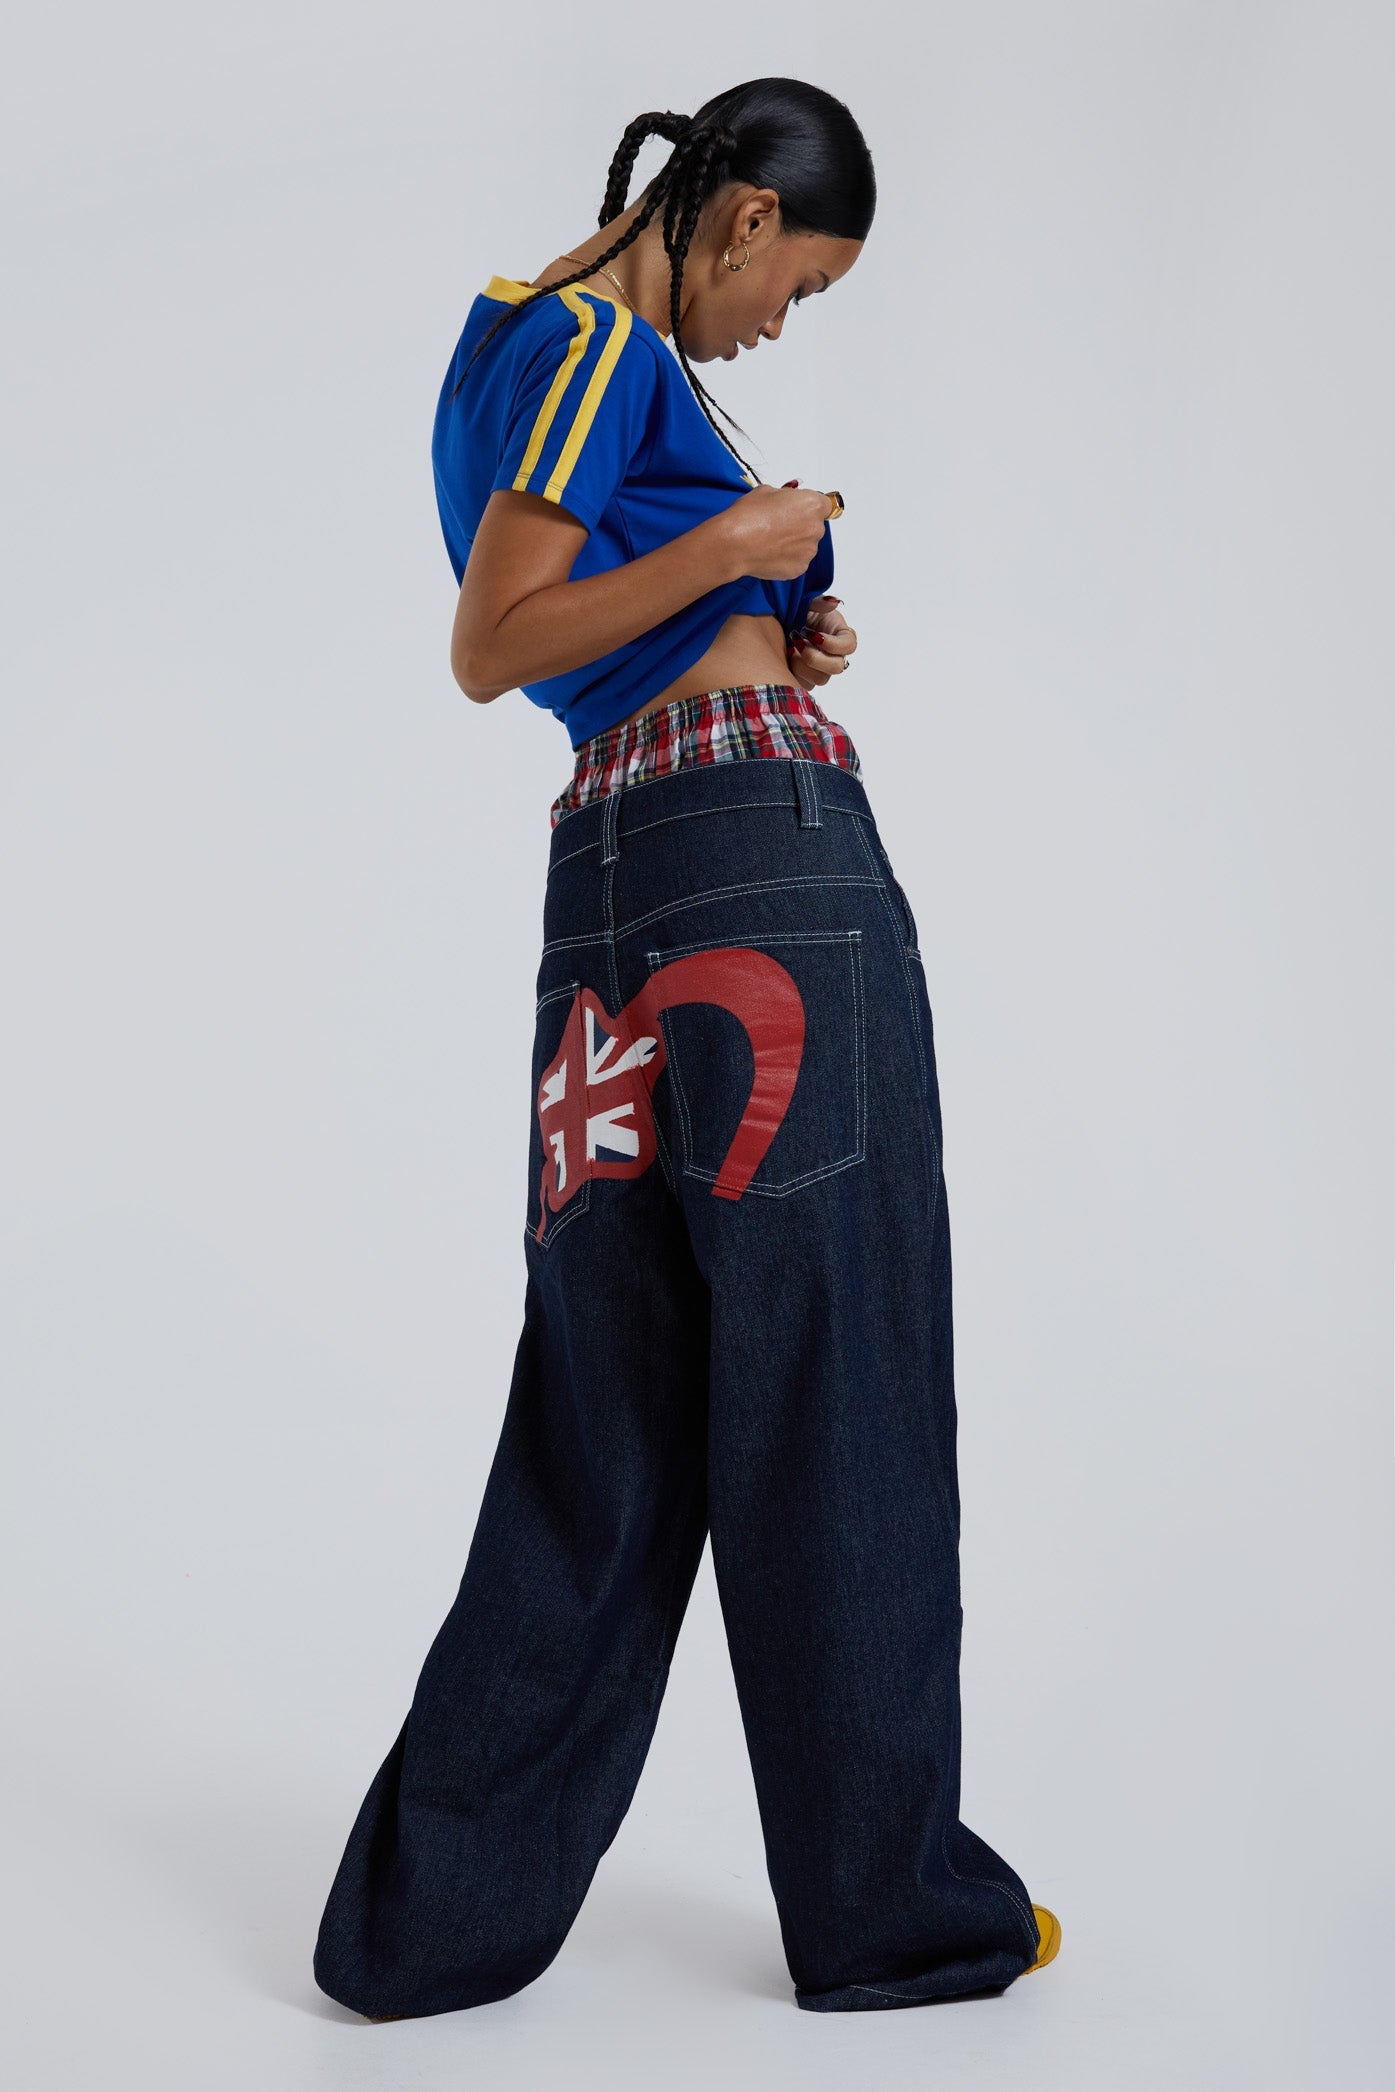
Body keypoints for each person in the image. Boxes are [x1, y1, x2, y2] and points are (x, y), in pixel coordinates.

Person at [313, 75, 1060, 2022]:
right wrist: (746, 530)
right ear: (727, 222)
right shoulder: (586, 339)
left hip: (614, 880)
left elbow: (580, 632)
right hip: (756, 860)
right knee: (841, 1359)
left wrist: (755, 594)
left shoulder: (495, 353)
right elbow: (497, 634)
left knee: (611, 1405)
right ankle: (894, 1910)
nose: (776, 324)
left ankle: (429, 1922)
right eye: (792, 286)